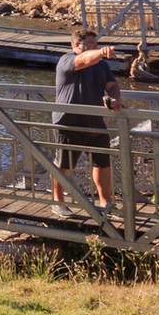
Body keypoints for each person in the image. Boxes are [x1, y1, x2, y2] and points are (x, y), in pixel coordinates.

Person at [50, 28, 123, 219]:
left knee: (102, 162)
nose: (94, 48)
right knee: (63, 164)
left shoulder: (102, 66)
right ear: (76, 45)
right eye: (89, 45)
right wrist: (100, 52)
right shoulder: (66, 60)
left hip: (95, 121)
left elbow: (112, 85)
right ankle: (58, 203)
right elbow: (83, 61)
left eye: (96, 44)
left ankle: (106, 203)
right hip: (68, 121)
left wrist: (115, 99)